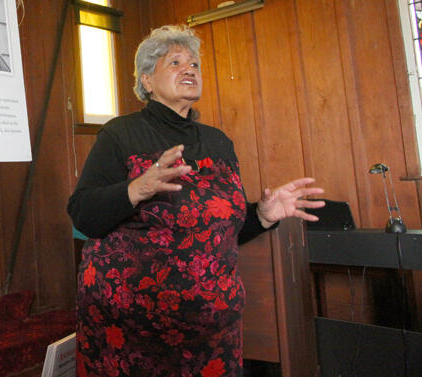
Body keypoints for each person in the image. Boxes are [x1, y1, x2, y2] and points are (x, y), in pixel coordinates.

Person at [67, 25, 324, 377]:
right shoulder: (120, 134)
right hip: (133, 333)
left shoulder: (219, 142)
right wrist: (138, 188)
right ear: (146, 81)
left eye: (194, 64)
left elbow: (217, 231)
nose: (189, 69)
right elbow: (82, 215)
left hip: (212, 336)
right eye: (174, 62)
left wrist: (262, 215)